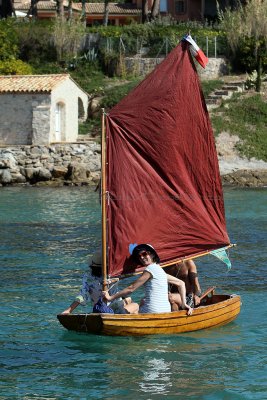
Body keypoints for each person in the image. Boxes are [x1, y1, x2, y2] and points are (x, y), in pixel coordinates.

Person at [102, 244, 193, 315]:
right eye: (139, 256)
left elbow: (131, 288)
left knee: (134, 305)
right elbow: (181, 283)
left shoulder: (149, 270)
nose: (141, 257)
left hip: (153, 312)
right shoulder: (160, 270)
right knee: (141, 301)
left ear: (152, 254)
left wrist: (110, 297)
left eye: (144, 254)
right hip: (165, 311)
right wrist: (184, 304)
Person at [61, 249, 135, 315]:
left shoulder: (87, 277)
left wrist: (69, 310)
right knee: (135, 305)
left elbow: (82, 295)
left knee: (128, 299)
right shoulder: (112, 275)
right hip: (112, 310)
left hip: (97, 309)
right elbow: (126, 274)